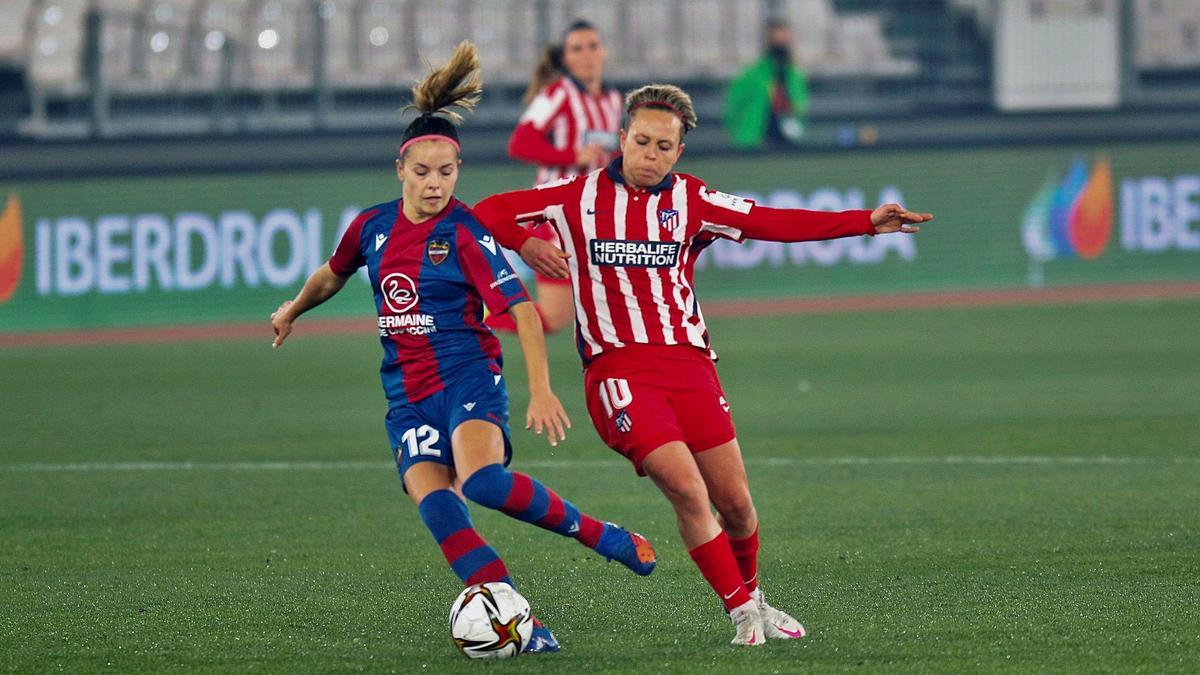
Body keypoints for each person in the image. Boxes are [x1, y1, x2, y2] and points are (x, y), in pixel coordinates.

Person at [474, 84, 931, 646]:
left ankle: (756, 597)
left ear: (679, 152)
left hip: (690, 368)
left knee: (736, 505)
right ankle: (741, 612)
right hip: (618, 371)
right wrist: (524, 243)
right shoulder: (576, 196)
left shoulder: (693, 201)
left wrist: (865, 221)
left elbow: (772, 222)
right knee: (686, 489)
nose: (650, 154)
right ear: (621, 139)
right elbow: (488, 211)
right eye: (641, 141)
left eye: (664, 146)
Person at [269, 43, 655, 655]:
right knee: (440, 509)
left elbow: (523, 312)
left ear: (457, 172)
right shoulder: (371, 227)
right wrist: (294, 307)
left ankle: (599, 534)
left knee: (482, 484)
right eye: (422, 173)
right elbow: (333, 273)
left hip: (468, 378)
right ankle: (521, 627)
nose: (434, 184)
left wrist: (542, 389)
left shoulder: (466, 232)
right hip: (407, 396)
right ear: (401, 168)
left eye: (445, 174)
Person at [486, 19, 623, 336]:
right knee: (553, 315)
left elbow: (606, 153)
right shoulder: (557, 95)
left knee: (586, 311)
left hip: (596, 214)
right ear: (566, 59)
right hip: (556, 212)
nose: (587, 54)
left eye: (593, 46)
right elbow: (520, 142)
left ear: (603, 51)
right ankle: (472, 316)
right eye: (578, 48)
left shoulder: (613, 100)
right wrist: (571, 157)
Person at [723, 18, 810, 148]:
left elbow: (800, 104)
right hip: (755, 140)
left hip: (789, 139)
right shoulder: (752, 74)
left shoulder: (794, 74)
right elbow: (732, 107)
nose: (781, 43)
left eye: (784, 39)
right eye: (776, 39)